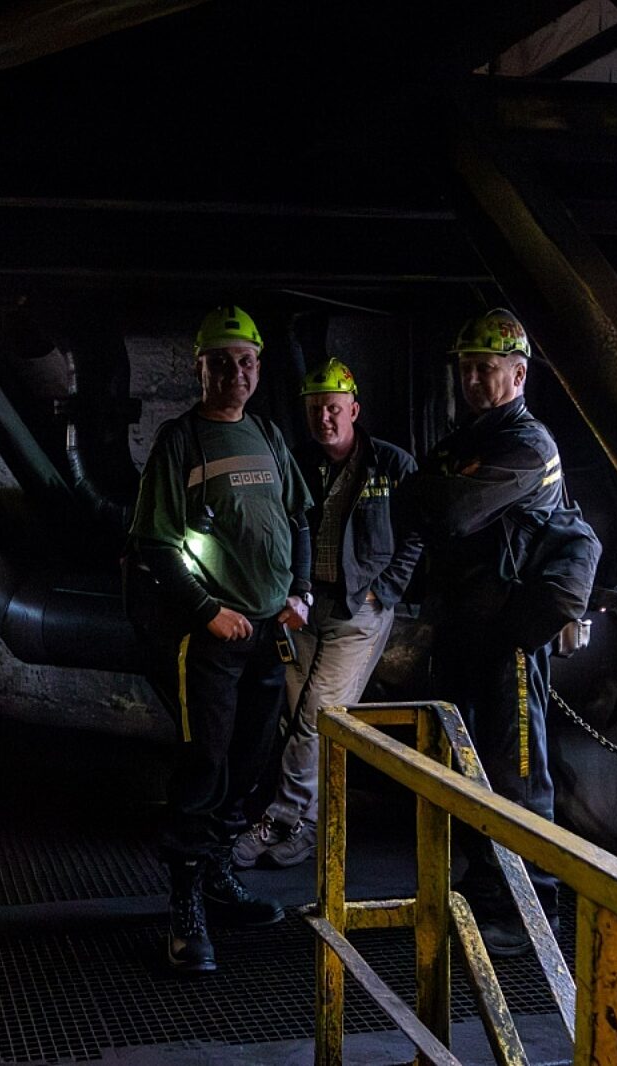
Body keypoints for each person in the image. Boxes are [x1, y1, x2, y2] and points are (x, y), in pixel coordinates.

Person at [126, 305, 312, 975]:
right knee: (204, 764)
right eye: (223, 362)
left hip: (267, 634)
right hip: (211, 638)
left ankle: (217, 879)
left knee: (252, 762)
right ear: (199, 368)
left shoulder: (267, 434)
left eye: (247, 361)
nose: (237, 372)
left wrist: (301, 591)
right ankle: (185, 908)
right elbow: (154, 544)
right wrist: (208, 610)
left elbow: (299, 518)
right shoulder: (181, 441)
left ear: (258, 369)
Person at [405, 307, 567, 957]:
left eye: (486, 369)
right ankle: (486, 887)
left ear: (518, 374)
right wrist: (439, 490)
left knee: (518, 772)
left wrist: (443, 490)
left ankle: (535, 907)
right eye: (467, 369)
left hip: (509, 639)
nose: (472, 380)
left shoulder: (529, 446)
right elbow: (411, 503)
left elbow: (446, 508)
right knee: (465, 763)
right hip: (460, 630)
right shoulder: (461, 443)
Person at [232, 358, 422, 870]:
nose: (324, 419)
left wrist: (384, 590)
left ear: (353, 410)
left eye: (334, 409)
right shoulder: (298, 462)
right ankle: (309, 825)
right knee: (301, 718)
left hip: (359, 608)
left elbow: (418, 533)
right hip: (306, 606)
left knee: (316, 717)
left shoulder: (392, 465)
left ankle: (280, 819)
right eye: (315, 409)